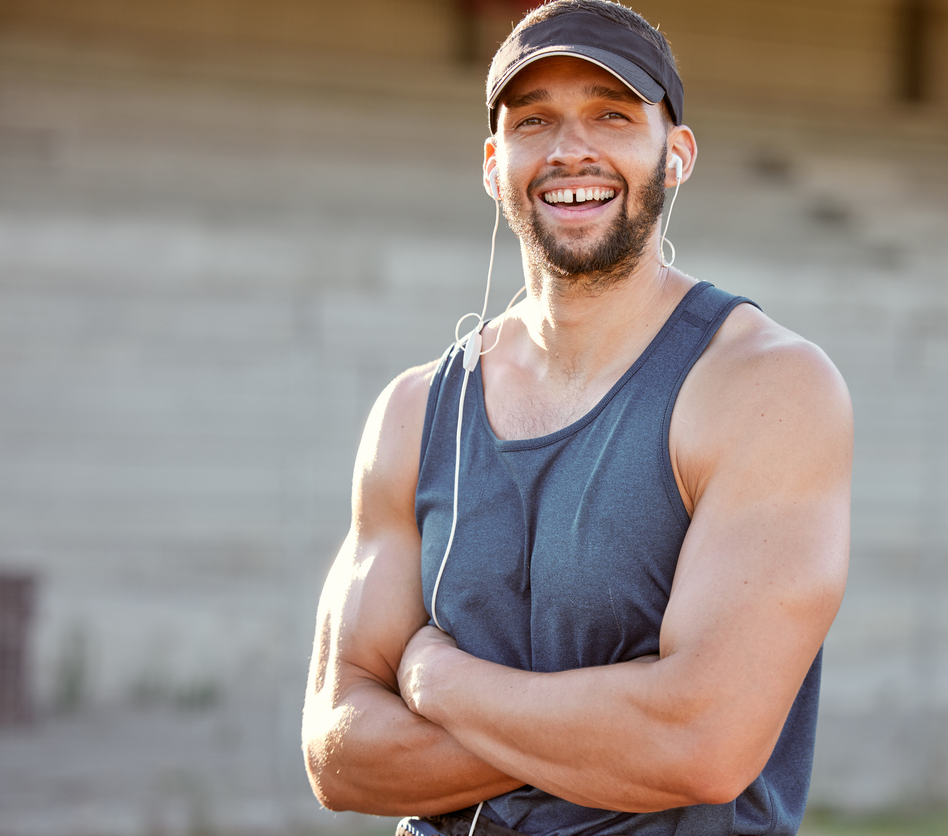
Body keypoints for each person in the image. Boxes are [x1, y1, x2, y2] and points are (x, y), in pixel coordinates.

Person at [300, 2, 852, 834]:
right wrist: (612, 726)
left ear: (677, 155)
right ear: (494, 163)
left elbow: (700, 744)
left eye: (613, 115)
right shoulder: (416, 412)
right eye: (534, 121)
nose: (570, 150)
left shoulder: (766, 388)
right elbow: (338, 755)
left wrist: (439, 684)